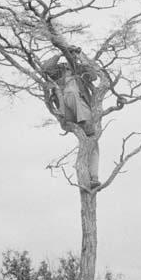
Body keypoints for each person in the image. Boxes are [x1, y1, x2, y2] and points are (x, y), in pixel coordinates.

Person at [42, 47, 100, 189]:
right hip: (67, 108)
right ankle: (83, 122)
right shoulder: (59, 69)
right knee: (71, 93)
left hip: (83, 108)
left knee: (92, 142)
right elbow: (45, 68)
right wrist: (62, 52)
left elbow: (94, 75)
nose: (71, 57)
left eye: (72, 55)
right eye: (70, 55)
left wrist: (81, 55)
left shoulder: (80, 69)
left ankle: (93, 177)